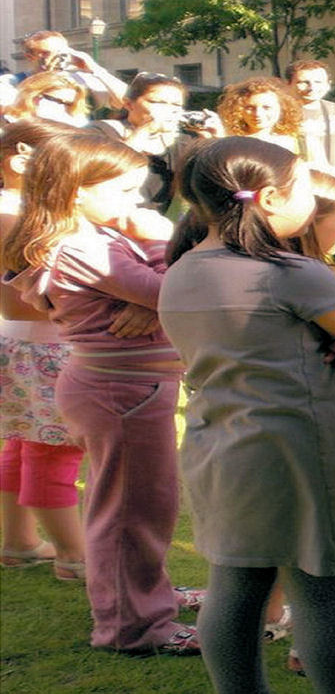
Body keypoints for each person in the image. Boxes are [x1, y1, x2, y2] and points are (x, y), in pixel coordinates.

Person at [157, 137, 335, 693]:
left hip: (220, 445)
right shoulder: (291, 272)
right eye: (306, 189)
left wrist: (330, 343)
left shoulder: (181, 269)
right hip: (302, 451)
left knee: (235, 586)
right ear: (267, 198)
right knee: (325, 592)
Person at [0, 133, 198, 655]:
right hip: (120, 391)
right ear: (74, 192)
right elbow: (179, 291)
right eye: (124, 190)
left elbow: (159, 294)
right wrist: (159, 242)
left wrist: (152, 297)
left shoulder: (95, 237)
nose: (136, 203)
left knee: (146, 504)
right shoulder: (80, 246)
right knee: (130, 510)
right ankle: (134, 626)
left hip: (128, 387)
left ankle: (143, 597)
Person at [0, 119, 88, 583]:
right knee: (52, 451)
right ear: (20, 161)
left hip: (24, 344)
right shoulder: (16, 215)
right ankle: (75, 555)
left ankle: (18, 541)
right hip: (43, 347)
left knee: (24, 444)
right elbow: (27, 298)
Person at [93, 72, 221, 215]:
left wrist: (216, 142)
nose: (169, 109)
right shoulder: (101, 131)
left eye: (176, 105)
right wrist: (145, 130)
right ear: (129, 104)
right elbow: (105, 172)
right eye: (157, 102)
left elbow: (205, 184)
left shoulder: (182, 141)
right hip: (108, 217)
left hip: (154, 224)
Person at [0, 30, 128, 111]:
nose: (57, 57)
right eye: (46, 53)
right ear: (30, 57)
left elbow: (125, 101)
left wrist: (95, 69)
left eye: (61, 52)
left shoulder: (81, 81)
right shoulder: (11, 83)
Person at [217, 77, 303, 154]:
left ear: (283, 108)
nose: (258, 113)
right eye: (250, 108)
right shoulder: (229, 144)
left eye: (266, 107)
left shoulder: (300, 144)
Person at [2, 71, 90, 126]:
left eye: (69, 104)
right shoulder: (7, 126)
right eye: (58, 101)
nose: (64, 108)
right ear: (34, 97)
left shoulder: (72, 124)